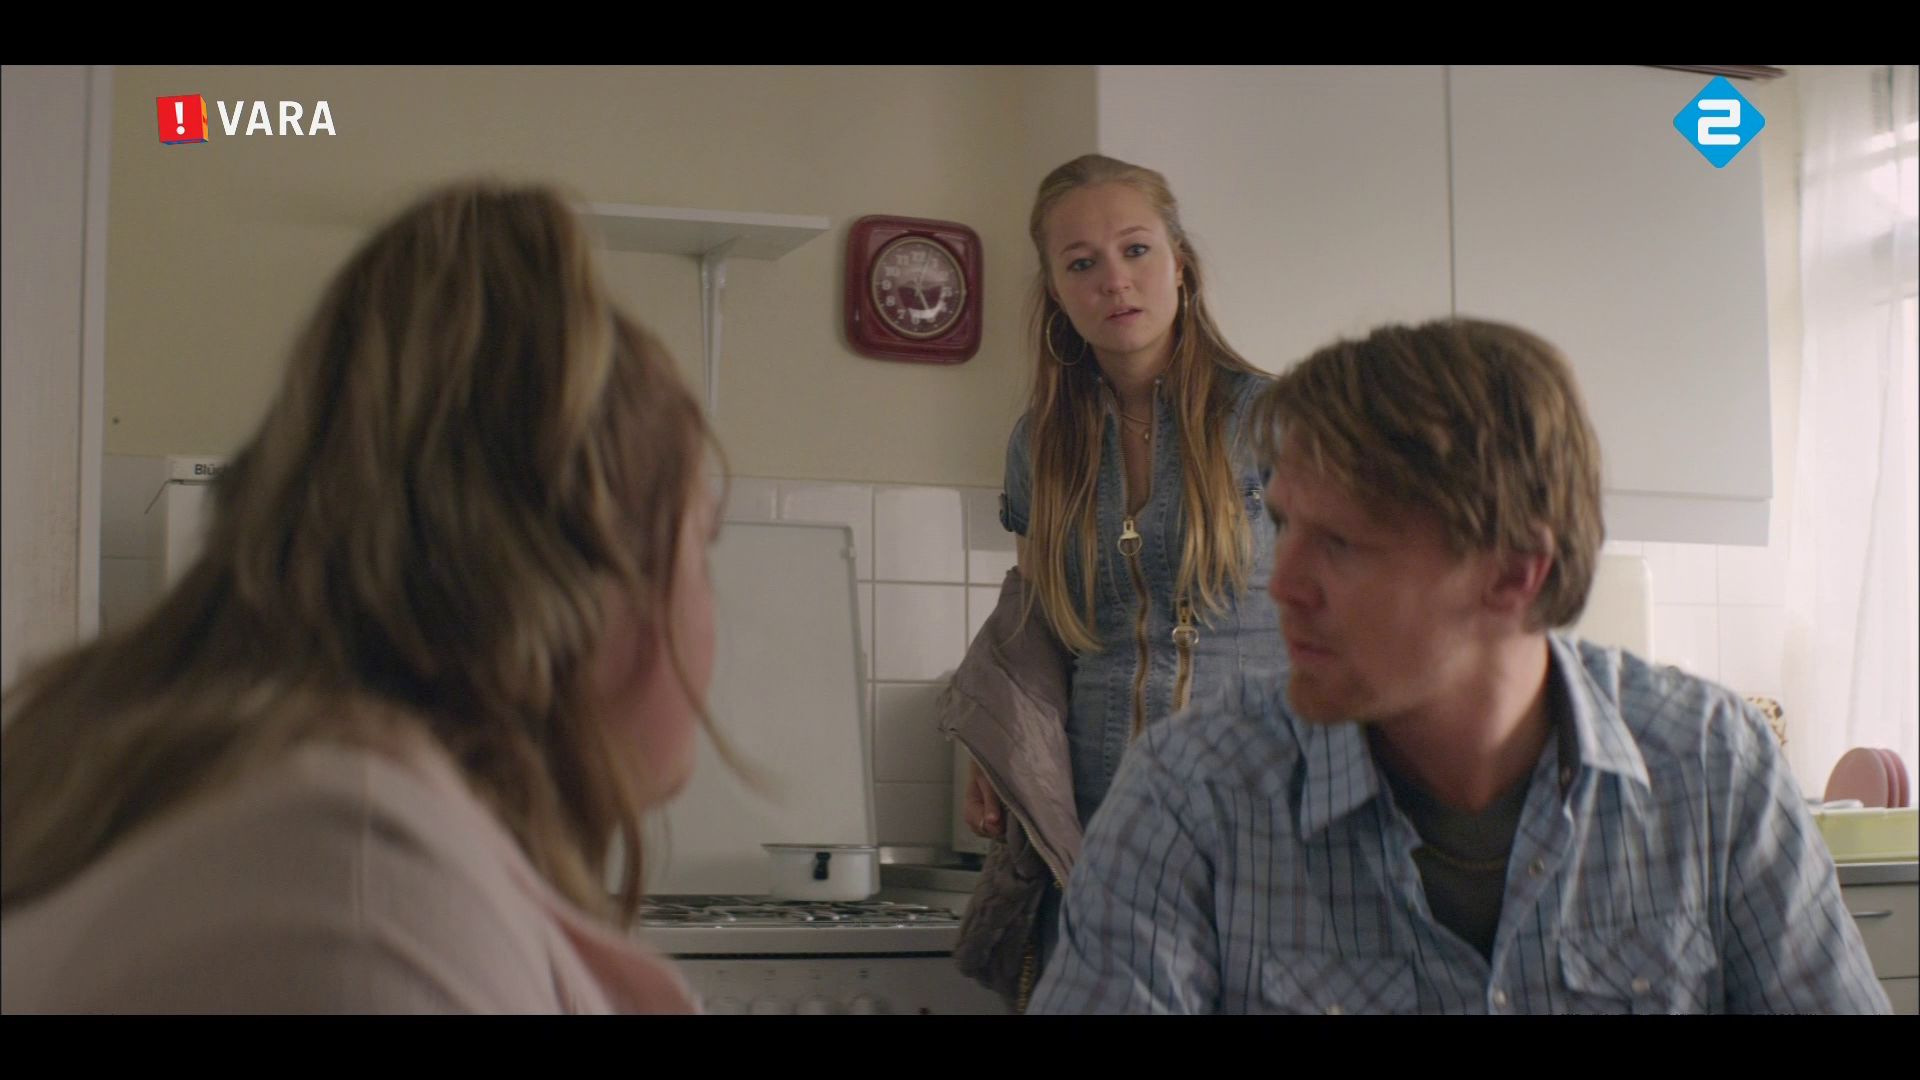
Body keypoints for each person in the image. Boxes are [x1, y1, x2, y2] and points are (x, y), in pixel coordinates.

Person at [1029, 318, 1890, 1014]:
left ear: (1514, 574)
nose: (1281, 583)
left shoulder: (1712, 767)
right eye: (1286, 526)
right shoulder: (1190, 795)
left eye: (1342, 543)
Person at [1, 180, 721, 1014]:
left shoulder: (302, 823)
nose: (714, 613)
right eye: (705, 547)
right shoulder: (370, 902)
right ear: (581, 581)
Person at [942, 154, 1284, 1008]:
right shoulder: (1040, 444)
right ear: (1057, 293)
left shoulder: (1275, 421)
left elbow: (1355, 620)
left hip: (1259, 826)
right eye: (1082, 263)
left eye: (1135, 250)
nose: (1114, 281)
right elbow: (1033, 631)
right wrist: (994, 744)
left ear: (1180, 264)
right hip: (1097, 834)